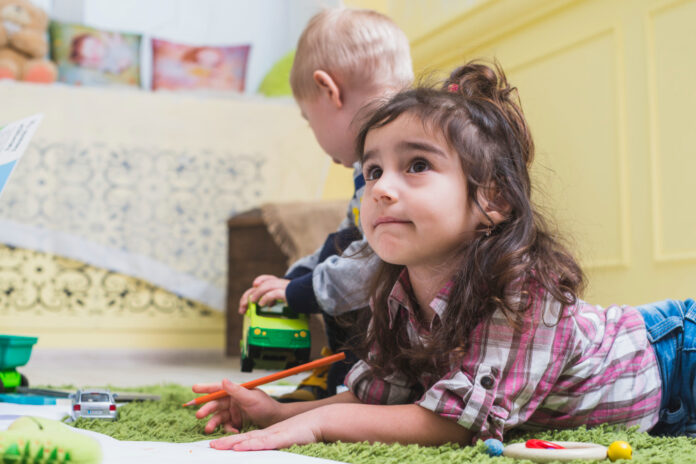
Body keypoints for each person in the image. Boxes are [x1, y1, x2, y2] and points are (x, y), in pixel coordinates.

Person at [195, 60, 694, 450]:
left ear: (492, 200)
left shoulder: (521, 287)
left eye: (415, 165)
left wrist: (321, 423)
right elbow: (383, 393)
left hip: (675, 363)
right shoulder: (398, 290)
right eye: (372, 172)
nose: (381, 189)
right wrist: (279, 413)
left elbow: (455, 423)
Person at [238, 7, 413, 401]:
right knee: (338, 244)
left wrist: (299, 291)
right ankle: (340, 371)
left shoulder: (393, 171)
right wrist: (297, 275)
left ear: (329, 91)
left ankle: (349, 378)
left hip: (424, 313)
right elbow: (350, 239)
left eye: (307, 117)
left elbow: (374, 263)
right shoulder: (368, 168)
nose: (311, 130)